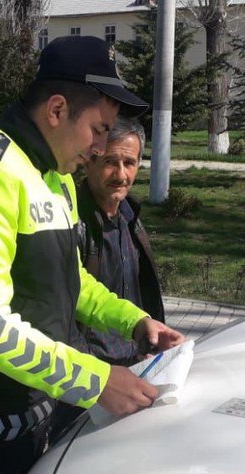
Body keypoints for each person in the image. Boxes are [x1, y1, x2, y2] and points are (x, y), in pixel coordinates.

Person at [0, 35, 185, 474]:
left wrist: (135, 321)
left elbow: (68, 277)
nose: (103, 148)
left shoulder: (56, 176)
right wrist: (96, 380)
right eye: (99, 130)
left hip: (38, 409)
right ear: (58, 109)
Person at [76, 116, 164, 365]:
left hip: (136, 362)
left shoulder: (130, 216)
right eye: (110, 162)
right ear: (88, 162)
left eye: (129, 163)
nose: (121, 174)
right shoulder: (70, 220)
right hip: (89, 374)